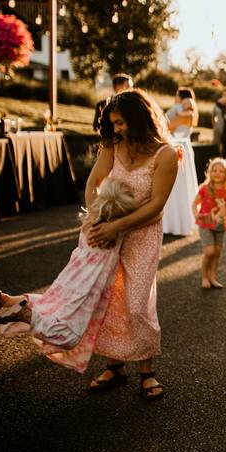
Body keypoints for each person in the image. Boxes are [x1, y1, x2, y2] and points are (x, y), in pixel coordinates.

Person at [0, 177, 140, 373]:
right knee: (69, 336)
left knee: (50, 307)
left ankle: (8, 300)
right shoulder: (115, 233)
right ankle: (24, 314)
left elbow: (91, 189)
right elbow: (149, 215)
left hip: (69, 278)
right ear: (123, 214)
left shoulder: (89, 223)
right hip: (87, 289)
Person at [76, 90, 179, 398]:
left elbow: (157, 205)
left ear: (138, 118)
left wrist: (115, 227)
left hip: (142, 234)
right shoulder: (114, 144)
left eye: (121, 122)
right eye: (113, 123)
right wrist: (97, 220)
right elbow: (93, 184)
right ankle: (115, 366)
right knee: (110, 299)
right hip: (107, 230)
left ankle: (148, 371)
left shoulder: (166, 154)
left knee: (137, 303)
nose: (117, 128)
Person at [192, 158, 226, 290]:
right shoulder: (205, 188)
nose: (218, 173)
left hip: (220, 225)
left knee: (217, 252)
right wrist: (196, 214)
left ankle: (213, 277)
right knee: (209, 251)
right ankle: (204, 277)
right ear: (209, 172)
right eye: (214, 170)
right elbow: (194, 204)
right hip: (205, 224)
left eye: (221, 171)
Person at [162, 87, 199, 236]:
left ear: (180, 97)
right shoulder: (192, 113)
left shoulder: (179, 108)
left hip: (176, 146)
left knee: (174, 185)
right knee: (183, 185)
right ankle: (181, 221)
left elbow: (167, 126)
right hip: (185, 146)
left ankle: (173, 223)